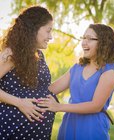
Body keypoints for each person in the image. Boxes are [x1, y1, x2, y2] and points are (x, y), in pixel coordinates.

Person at [38, 24, 114, 140]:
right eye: (83, 38)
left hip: (92, 128)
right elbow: (50, 90)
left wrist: (58, 107)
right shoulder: (77, 67)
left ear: (104, 43)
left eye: (90, 39)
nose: (84, 42)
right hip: (69, 125)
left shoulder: (109, 72)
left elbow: (95, 106)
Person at [0, 6, 58, 140]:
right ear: (33, 29)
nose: (51, 36)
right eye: (48, 31)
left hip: (36, 134)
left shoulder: (39, 55)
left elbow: (43, 89)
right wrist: (20, 102)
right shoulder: (11, 53)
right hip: (11, 130)